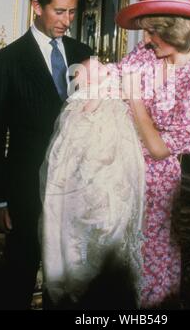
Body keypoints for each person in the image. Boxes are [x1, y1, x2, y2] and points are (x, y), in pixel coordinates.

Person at [0, 0, 93, 309]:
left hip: (75, 184)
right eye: (59, 11)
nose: (67, 20)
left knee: (71, 272)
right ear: (36, 6)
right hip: (26, 186)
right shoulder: (5, 61)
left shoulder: (83, 52)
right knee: (20, 270)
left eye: (73, 11)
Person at [113, 0, 190, 308]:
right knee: (116, 250)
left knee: (150, 253)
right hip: (120, 168)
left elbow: (161, 148)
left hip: (156, 182)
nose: (145, 39)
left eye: (152, 32)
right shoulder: (146, 54)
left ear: (173, 31)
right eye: (146, 31)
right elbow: (116, 78)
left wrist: (133, 98)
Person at [40, 58, 145, 309]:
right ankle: (85, 287)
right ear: (84, 80)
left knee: (112, 231)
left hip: (112, 180)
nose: (106, 66)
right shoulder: (83, 101)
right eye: (97, 67)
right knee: (85, 239)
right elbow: (73, 143)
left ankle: (109, 284)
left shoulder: (113, 99)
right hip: (88, 180)